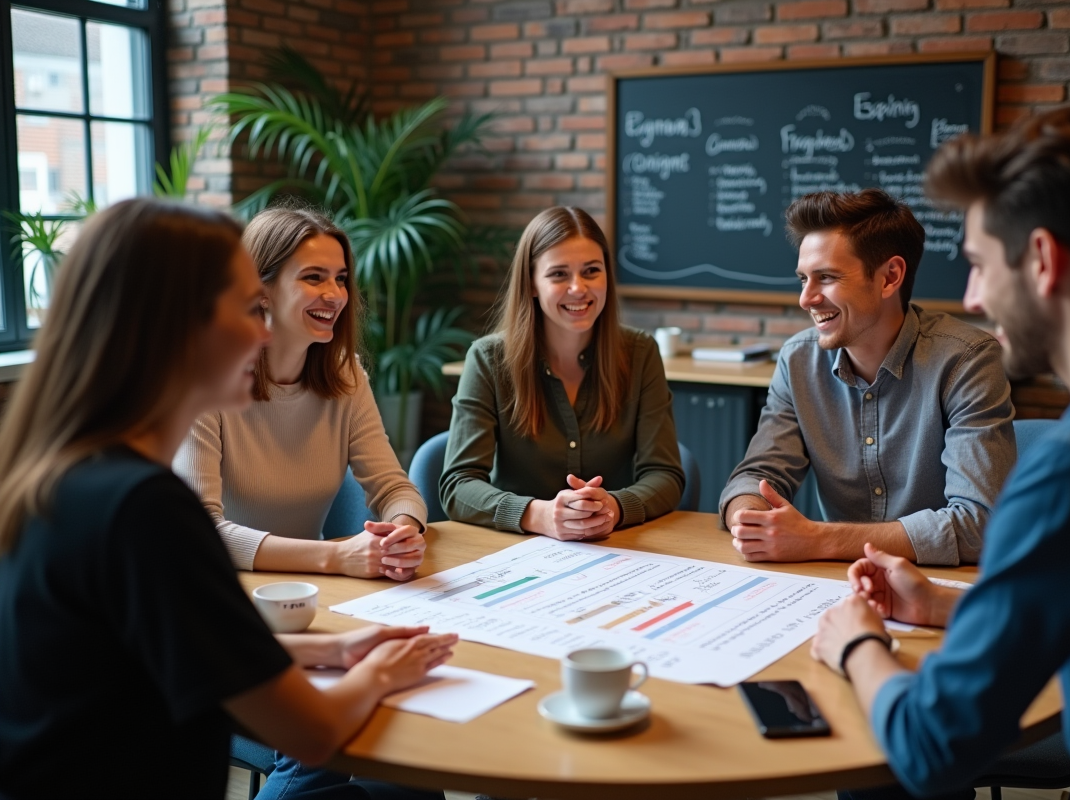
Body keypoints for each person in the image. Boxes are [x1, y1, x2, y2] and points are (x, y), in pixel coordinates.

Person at [0, 199, 457, 800]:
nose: (264, 331)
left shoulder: (68, 475)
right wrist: (378, 672)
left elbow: (185, 647)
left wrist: (337, 646)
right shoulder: (147, 511)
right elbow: (311, 731)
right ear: (176, 325)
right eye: (248, 308)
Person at [811, 107, 1070, 800]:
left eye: (981, 266)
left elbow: (932, 746)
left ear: (1044, 261)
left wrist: (855, 644)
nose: (972, 297)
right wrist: (949, 604)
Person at [720, 188, 1016, 566]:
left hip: (938, 591)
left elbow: (979, 526)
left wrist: (819, 539)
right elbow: (757, 474)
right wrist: (749, 517)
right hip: (833, 585)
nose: (805, 298)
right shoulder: (797, 360)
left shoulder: (966, 361)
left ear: (889, 277)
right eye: (802, 279)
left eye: (825, 277)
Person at [174, 206, 428, 582]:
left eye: (340, 279)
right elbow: (202, 530)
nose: (335, 295)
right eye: (314, 277)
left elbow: (393, 487)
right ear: (260, 291)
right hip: (220, 586)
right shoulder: (203, 380)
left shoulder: (346, 374)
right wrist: (336, 556)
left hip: (312, 586)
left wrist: (402, 532)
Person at [441, 206, 684, 538]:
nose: (578, 288)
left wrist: (614, 507)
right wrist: (537, 515)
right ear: (532, 284)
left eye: (591, 271)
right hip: (512, 552)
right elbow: (458, 485)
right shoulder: (488, 359)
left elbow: (665, 474)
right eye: (558, 274)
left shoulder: (640, 352)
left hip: (617, 549)